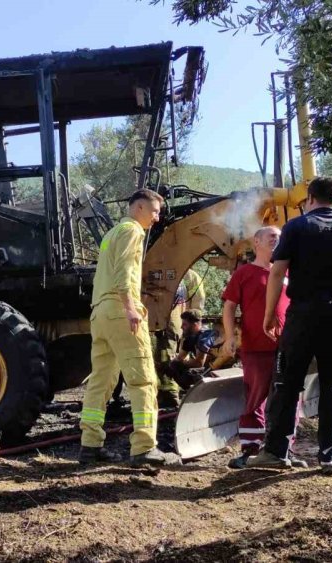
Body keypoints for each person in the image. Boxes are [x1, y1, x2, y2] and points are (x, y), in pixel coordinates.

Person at [246, 177, 332, 475]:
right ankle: (330, 457)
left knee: (287, 381)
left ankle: (275, 452)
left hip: (304, 312)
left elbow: (278, 270)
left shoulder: (296, 226)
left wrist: (270, 314)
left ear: (309, 198)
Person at [79, 188, 182, 467]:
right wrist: (130, 308)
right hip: (119, 310)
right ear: (138, 208)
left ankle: (89, 445)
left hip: (99, 313)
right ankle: (144, 447)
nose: (157, 218)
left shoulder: (111, 234)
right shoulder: (132, 231)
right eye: (155, 211)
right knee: (144, 380)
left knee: (100, 381)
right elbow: (124, 271)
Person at [220, 226, 306, 469]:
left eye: (280, 238)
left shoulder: (290, 273)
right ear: (256, 242)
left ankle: (284, 449)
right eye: (272, 237)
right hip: (255, 347)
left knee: (290, 398)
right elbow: (229, 307)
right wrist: (229, 337)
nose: (277, 241)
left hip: (287, 347)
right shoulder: (244, 273)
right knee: (256, 398)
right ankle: (250, 450)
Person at [155, 269, 206, 408]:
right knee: (168, 355)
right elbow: (198, 300)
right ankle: (166, 392)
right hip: (178, 321)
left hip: (174, 320)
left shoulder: (185, 275)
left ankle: (170, 395)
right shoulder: (189, 275)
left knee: (168, 356)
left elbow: (197, 302)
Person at [164, 309, 230, 391]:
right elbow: (180, 357)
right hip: (210, 368)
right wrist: (177, 360)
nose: (181, 327)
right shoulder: (192, 337)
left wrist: (181, 361)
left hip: (217, 369)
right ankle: (191, 390)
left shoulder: (203, 337)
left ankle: (196, 391)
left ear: (195, 325)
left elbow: (199, 363)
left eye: (185, 324)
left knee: (180, 369)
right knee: (173, 365)